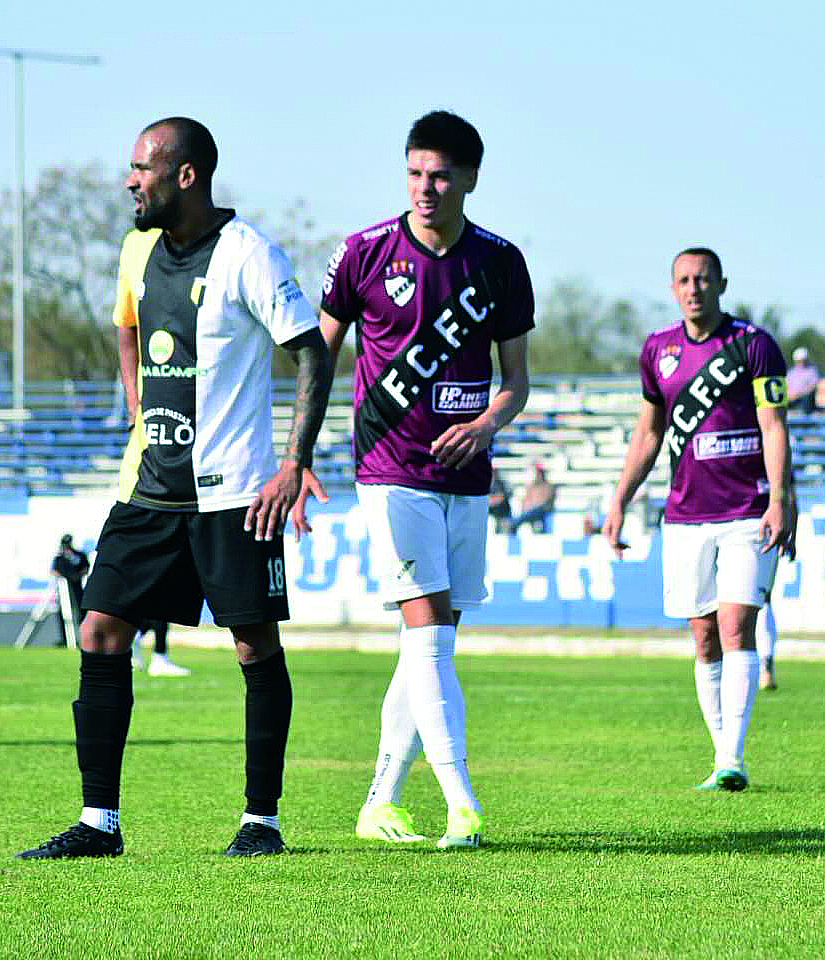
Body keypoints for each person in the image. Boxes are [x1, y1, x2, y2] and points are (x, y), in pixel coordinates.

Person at [17, 117, 332, 861]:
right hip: (149, 490)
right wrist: (135, 405)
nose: (131, 181)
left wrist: (293, 461)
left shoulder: (249, 254)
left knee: (253, 646)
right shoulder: (135, 252)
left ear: (184, 176)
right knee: (98, 632)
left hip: (234, 495)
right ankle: (99, 825)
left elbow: (312, 356)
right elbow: (127, 328)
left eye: (142, 168)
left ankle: (262, 822)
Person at [299, 110, 533, 849]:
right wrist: (297, 456)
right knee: (428, 637)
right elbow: (316, 358)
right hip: (389, 469)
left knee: (428, 647)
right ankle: (462, 802)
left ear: (468, 180)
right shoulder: (365, 253)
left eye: (439, 176)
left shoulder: (499, 262)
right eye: (413, 174)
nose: (424, 189)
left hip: (465, 477)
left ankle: (378, 803)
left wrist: (487, 424)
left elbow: (516, 382)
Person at [603, 247, 792, 793]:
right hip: (685, 516)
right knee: (703, 635)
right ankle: (720, 753)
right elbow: (649, 434)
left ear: (722, 285)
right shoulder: (657, 351)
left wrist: (780, 497)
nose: (694, 289)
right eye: (684, 280)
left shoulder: (753, 346)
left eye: (704, 279)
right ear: (673, 289)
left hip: (746, 512)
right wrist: (620, 499)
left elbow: (774, 426)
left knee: (736, 625)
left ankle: (732, 759)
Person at [755, 484, 799, 692]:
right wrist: (792, 537)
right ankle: (765, 667)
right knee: (763, 598)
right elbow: (790, 497)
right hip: (765, 528)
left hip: (745, 523)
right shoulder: (776, 453)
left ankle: (760, 666)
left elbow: (789, 496)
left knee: (757, 600)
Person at [51, 534, 89, 644]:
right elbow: (55, 571)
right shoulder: (59, 558)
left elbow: (85, 567)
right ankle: (65, 639)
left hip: (77, 589)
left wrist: (77, 576)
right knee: (63, 614)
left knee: (81, 614)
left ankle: (83, 639)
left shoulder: (79, 556)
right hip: (63, 591)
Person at [510, 461, 555, 534]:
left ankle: (514, 525)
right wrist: (526, 507)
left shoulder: (547, 486)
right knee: (522, 516)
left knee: (526, 516)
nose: (538, 475)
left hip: (541, 510)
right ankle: (512, 529)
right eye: (537, 473)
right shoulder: (532, 485)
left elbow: (545, 501)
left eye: (540, 473)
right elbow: (526, 499)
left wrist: (533, 506)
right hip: (531, 510)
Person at [786, 346, 819, 414]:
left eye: (803, 360)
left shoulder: (812, 371)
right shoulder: (791, 373)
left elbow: (812, 387)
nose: (801, 362)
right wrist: (790, 395)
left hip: (804, 400)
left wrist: (797, 395)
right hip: (791, 399)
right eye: (799, 361)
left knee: (807, 399)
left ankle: (806, 421)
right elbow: (786, 386)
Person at [488, 469, 513, 533]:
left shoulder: (502, 483)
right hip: (490, 512)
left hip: (502, 511)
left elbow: (508, 494)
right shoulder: (486, 484)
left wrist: (498, 498)